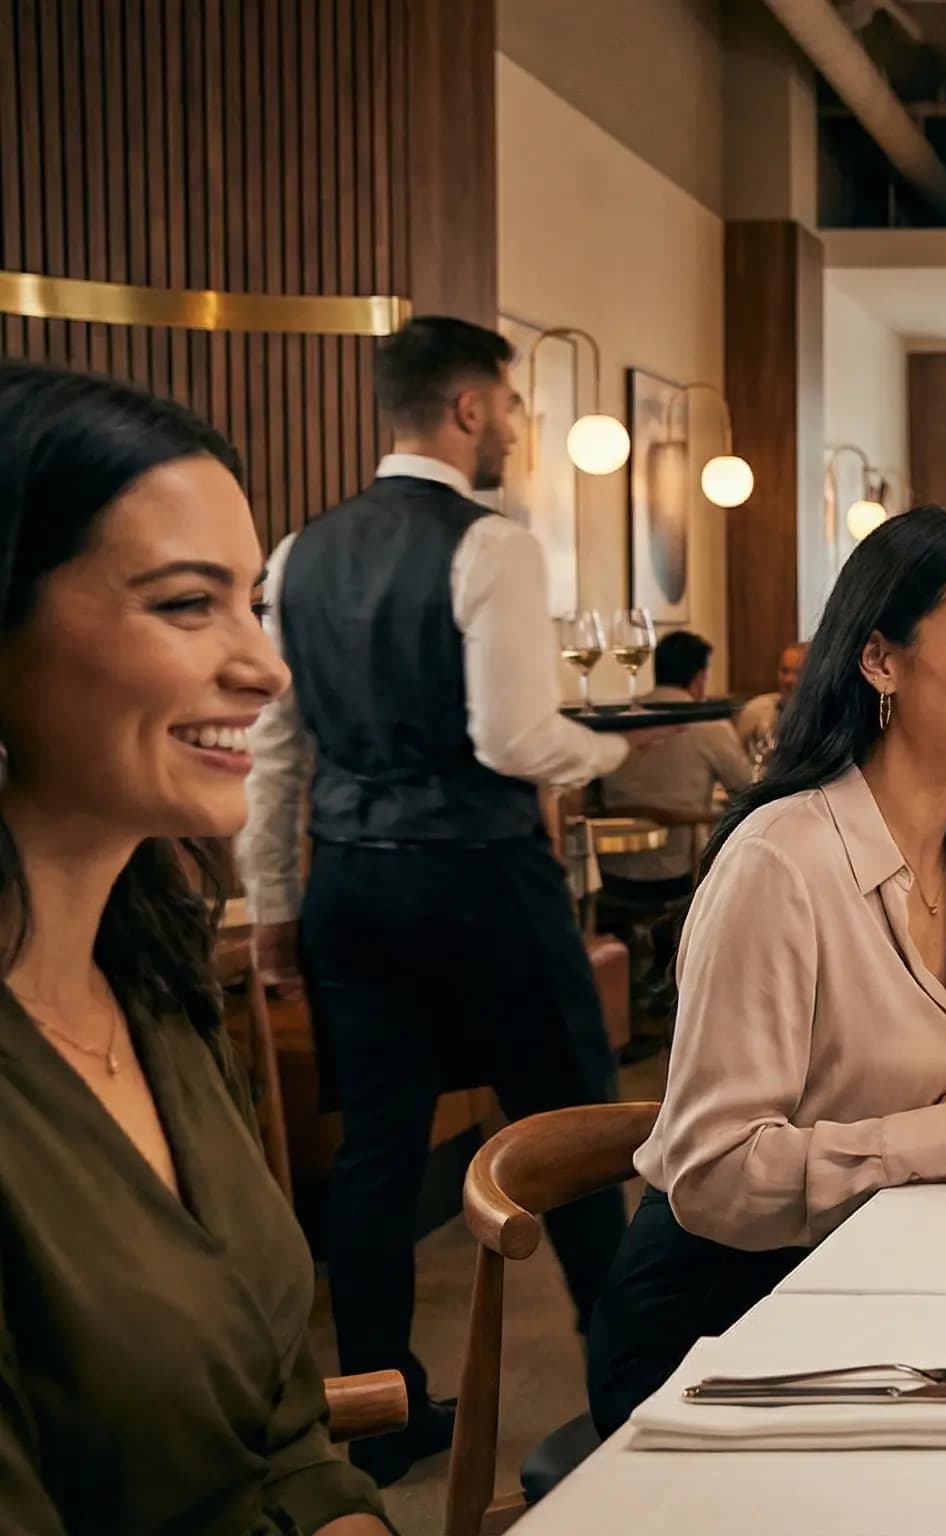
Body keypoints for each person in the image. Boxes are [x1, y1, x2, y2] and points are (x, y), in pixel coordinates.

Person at [587, 509, 946, 1435]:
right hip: (730, 1323)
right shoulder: (782, 862)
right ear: (880, 659)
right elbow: (714, 1175)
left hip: (886, 1276)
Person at [238, 316, 643, 1483]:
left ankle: (378, 1412)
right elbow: (513, 736)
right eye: (510, 406)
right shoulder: (494, 546)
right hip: (479, 884)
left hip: (349, 885)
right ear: (469, 408)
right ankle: (627, 1390)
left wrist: (271, 904)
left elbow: (276, 751)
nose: (514, 426)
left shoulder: (296, 552)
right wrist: (608, 754)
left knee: (376, 1149)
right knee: (570, 1134)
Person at [0, 364, 388, 1535]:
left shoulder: (156, 987)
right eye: (185, 605)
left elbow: (283, 1446)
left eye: (254, 604)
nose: (265, 667)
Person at [597, 629, 753, 907]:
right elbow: (745, 788)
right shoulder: (708, 724)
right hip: (675, 872)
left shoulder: (620, 718)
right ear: (699, 677)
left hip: (610, 870)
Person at [735, 640, 808, 760]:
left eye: (797, 672)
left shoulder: (823, 717)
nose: (788, 680)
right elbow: (736, 759)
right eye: (784, 671)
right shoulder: (755, 710)